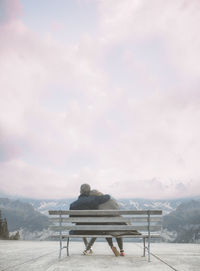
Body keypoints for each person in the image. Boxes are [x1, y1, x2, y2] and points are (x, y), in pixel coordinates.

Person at [83, 189, 125, 256]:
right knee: (116, 229)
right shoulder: (112, 200)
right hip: (117, 225)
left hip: (105, 227)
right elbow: (118, 212)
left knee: (101, 229)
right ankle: (122, 250)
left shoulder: (98, 203)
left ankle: (88, 249)